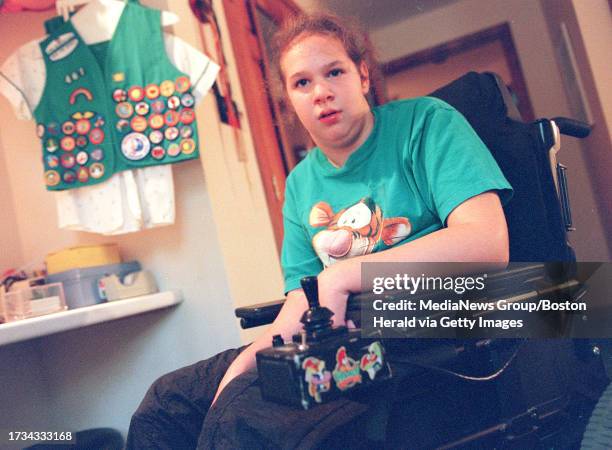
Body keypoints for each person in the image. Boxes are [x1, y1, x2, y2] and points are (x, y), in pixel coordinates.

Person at [126, 12, 512, 449]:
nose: (322, 92)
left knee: (244, 420)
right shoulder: (300, 183)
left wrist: (343, 275)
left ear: (362, 75)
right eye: (302, 83)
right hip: (329, 340)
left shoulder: (426, 124)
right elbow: (299, 302)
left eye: (334, 72)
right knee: (168, 402)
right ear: (289, 98)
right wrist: (244, 368)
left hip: (421, 330)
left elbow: (487, 242)